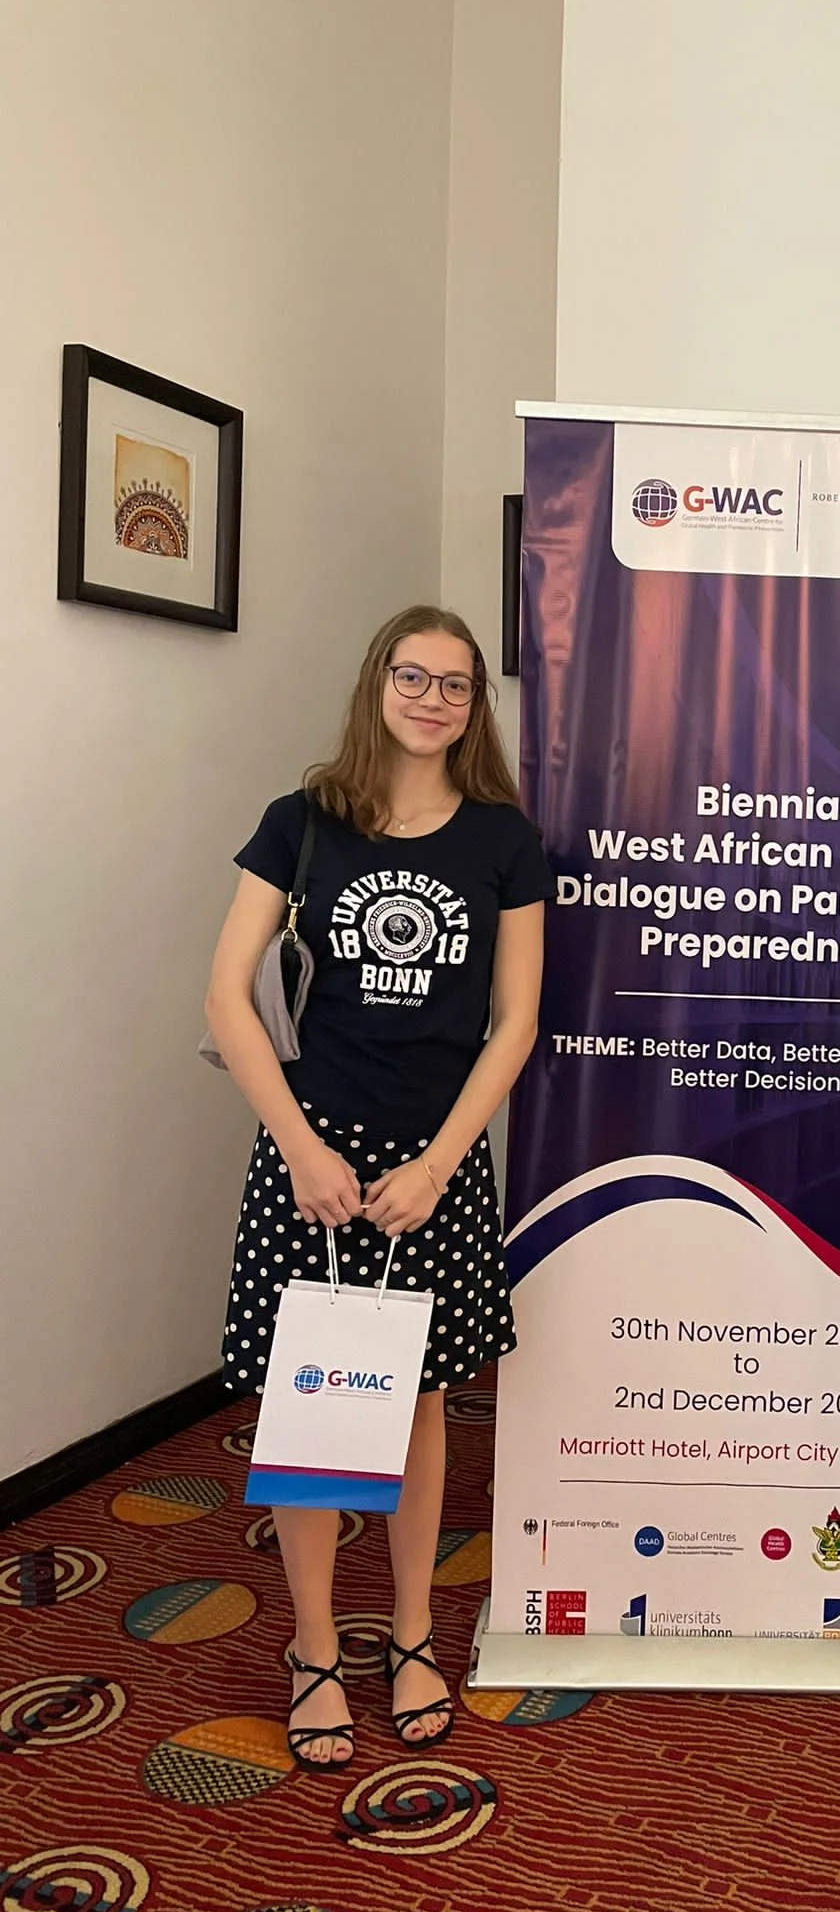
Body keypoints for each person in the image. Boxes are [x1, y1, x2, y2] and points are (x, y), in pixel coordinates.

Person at [205, 605, 553, 1772]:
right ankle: (313, 1644)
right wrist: (303, 1149)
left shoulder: (503, 839)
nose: (433, 698)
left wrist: (442, 1161)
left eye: (456, 683)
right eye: (415, 675)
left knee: (419, 1405)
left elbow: (516, 1022)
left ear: (474, 704)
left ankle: (410, 1633)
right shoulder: (300, 820)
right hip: (314, 1162)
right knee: (310, 1404)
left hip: (432, 1165)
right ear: (379, 682)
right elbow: (225, 996)